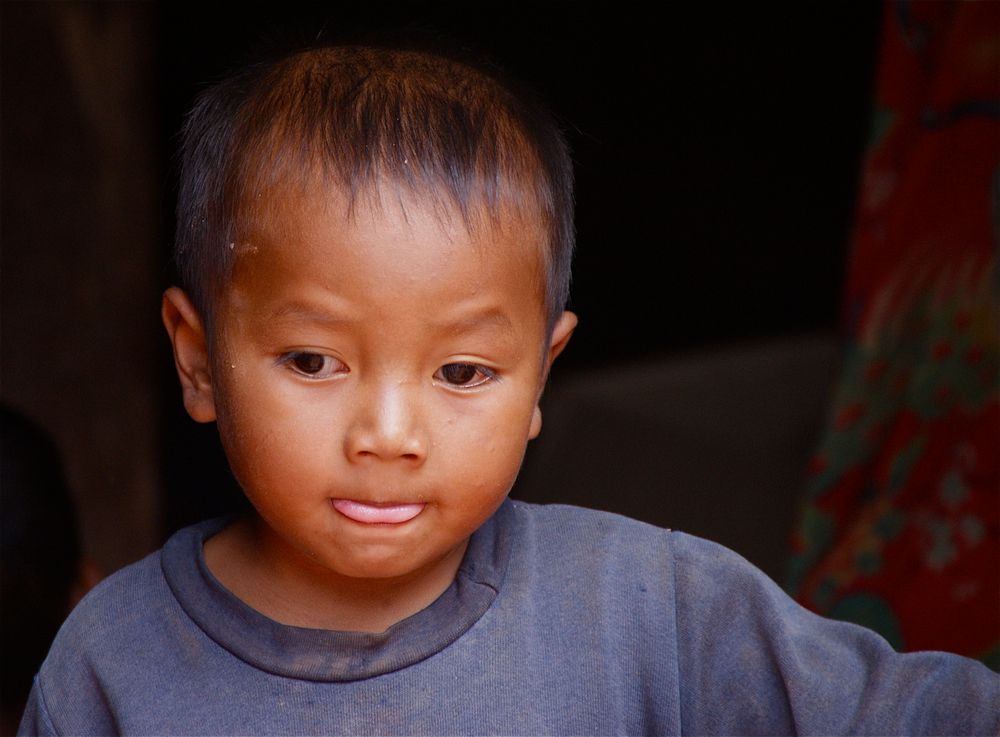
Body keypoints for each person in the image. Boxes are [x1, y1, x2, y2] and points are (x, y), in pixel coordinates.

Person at [18, 41, 998, 736]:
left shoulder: (645, 606)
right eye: (314, 359)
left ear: (541, 377)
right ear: (197, 360)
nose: (389, 432)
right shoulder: (113, 659)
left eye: (461, 371)